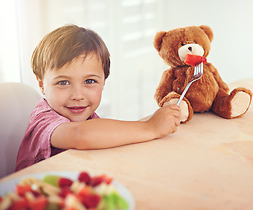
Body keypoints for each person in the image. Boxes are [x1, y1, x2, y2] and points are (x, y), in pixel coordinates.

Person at [16, 24, 181, 171]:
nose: (78, 96)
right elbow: (80, 136)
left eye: (89, 81)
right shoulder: (43, 120)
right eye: (63, 82)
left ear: (104, 82)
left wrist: (150, 122)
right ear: (42, 85)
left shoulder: (88, 118)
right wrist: (150, 127)